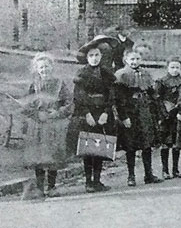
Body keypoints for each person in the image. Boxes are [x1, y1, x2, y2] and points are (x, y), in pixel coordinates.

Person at [20, 53, 72, 200]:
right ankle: (39, 187)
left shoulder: (60, 84)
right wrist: (37, 114)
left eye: (47, 66)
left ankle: (52, 186)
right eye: (41, 67)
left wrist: (57, 112)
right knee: (39, 157)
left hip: (54, 124)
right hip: (37, 125)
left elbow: (69, 103)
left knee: (53, 155)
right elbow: (24, 104)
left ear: (52, 67)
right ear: (36, 69)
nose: (44, 70)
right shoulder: (33, 85)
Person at [66, 46, 115, 193]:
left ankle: (97, 180)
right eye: (91, 55)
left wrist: (106, 113)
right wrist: (87, 114)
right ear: (87, 58)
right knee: (88, 148)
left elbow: (111, 95)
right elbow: (79, 96)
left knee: (99, 147)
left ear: (101, 56)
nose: (95, 58)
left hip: (102, 114)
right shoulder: (82, 73)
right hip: (86, 113)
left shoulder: (106, 73)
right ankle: (88, 182)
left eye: (97, 55)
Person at [113, 45, 163, 187]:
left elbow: (152, 94)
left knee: (146, 144)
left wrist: (156, 111)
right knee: (131, 145)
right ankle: (131, 175)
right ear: (125, 60)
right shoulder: (121, 75)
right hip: (130, 113)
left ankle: (148, 174)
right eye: (132, 59)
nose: (135, 61)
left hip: (144, 112)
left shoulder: (145, 74)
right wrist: (124, 117)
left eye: (137, 58)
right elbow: (118, 99)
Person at [154, 57, 181, 179]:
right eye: (172, 67)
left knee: (176, 143)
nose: (175, 70)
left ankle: (175, 169)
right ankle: (165, 170)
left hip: (177, 115)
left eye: (177, 67)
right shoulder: (161, 82)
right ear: (167, 68)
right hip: (165, 116)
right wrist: (163, 113)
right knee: (165, 143)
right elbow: (157, 99)